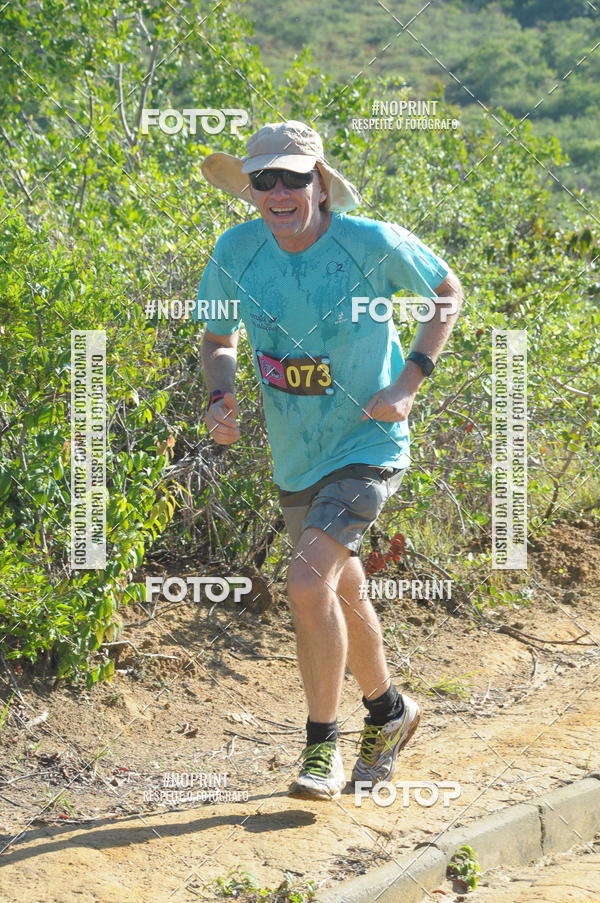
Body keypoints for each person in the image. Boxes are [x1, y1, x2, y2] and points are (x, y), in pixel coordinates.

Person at [196, 120, 463, 800]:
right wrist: (221, 396)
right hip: (297, 451)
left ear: (319, 181)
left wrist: (408, 384)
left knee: (307, 583)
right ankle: (389, 711)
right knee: (342, 588)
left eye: (293, 176)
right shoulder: (237, 250)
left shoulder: (368, 242)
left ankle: (322, 746)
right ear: (251, 189)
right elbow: (218, 338)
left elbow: (446, 291)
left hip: (366, 443)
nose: (279, 191)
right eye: (265, 179)